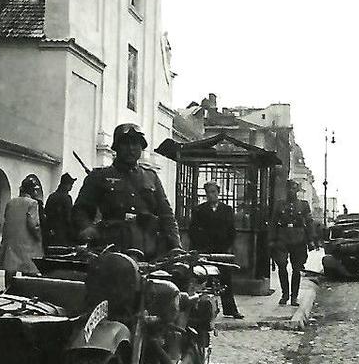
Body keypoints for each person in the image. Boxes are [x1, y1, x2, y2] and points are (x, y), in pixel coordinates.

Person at [73, 123, 181, 259]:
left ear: (141, 148)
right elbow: (81, 210)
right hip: (110, 247)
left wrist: (176, 246)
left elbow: (167, 215)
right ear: (116, 147)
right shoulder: (99, 176)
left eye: (136, 144)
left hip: (148, 249)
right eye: (125, 144)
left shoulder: (151, 177)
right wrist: (87, 228)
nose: (131, 149)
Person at [189, 181, 243, 319]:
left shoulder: (227, 210)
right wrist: (198, 247)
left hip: (222, 250)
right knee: (203, 279)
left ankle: (230, 309)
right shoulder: (199, 210)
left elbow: (231, 230)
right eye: (208, 193)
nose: (211, 195)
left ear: (218, 193)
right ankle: (199, 310)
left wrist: (228, 246)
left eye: (213, 192)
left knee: (225, 280)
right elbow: (193, 231)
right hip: (205, 250)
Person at [269, 180, 315, 306]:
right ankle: (285, 294)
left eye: (293, 189)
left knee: (296, 268)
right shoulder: (279, 205)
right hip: (282, 237)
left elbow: (309, 222)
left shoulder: (303, 205)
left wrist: (311, 240)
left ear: (297, 191)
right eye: (289, 188)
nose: (291, 191)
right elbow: (273, 223)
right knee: (281, 265)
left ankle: (294, 297)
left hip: (298, 238)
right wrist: (272, 240)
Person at [0, 175, 45, 289]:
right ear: (31, 190)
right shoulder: (32, 203)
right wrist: (38, 238)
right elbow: (33, 224)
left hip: (11, 241)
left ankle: (8, 291)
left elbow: (6, 220)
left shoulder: (10, 202)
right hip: (27, 242)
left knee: (10, 269)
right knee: (28, 270)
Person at [45, 173, 76, 246]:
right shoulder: (67, 198)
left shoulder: (52, 196)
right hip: (63, 234)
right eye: (70, 184)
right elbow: (68, 218)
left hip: (51, 233)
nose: (71, 186)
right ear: (66, 184)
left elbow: (46, 213)